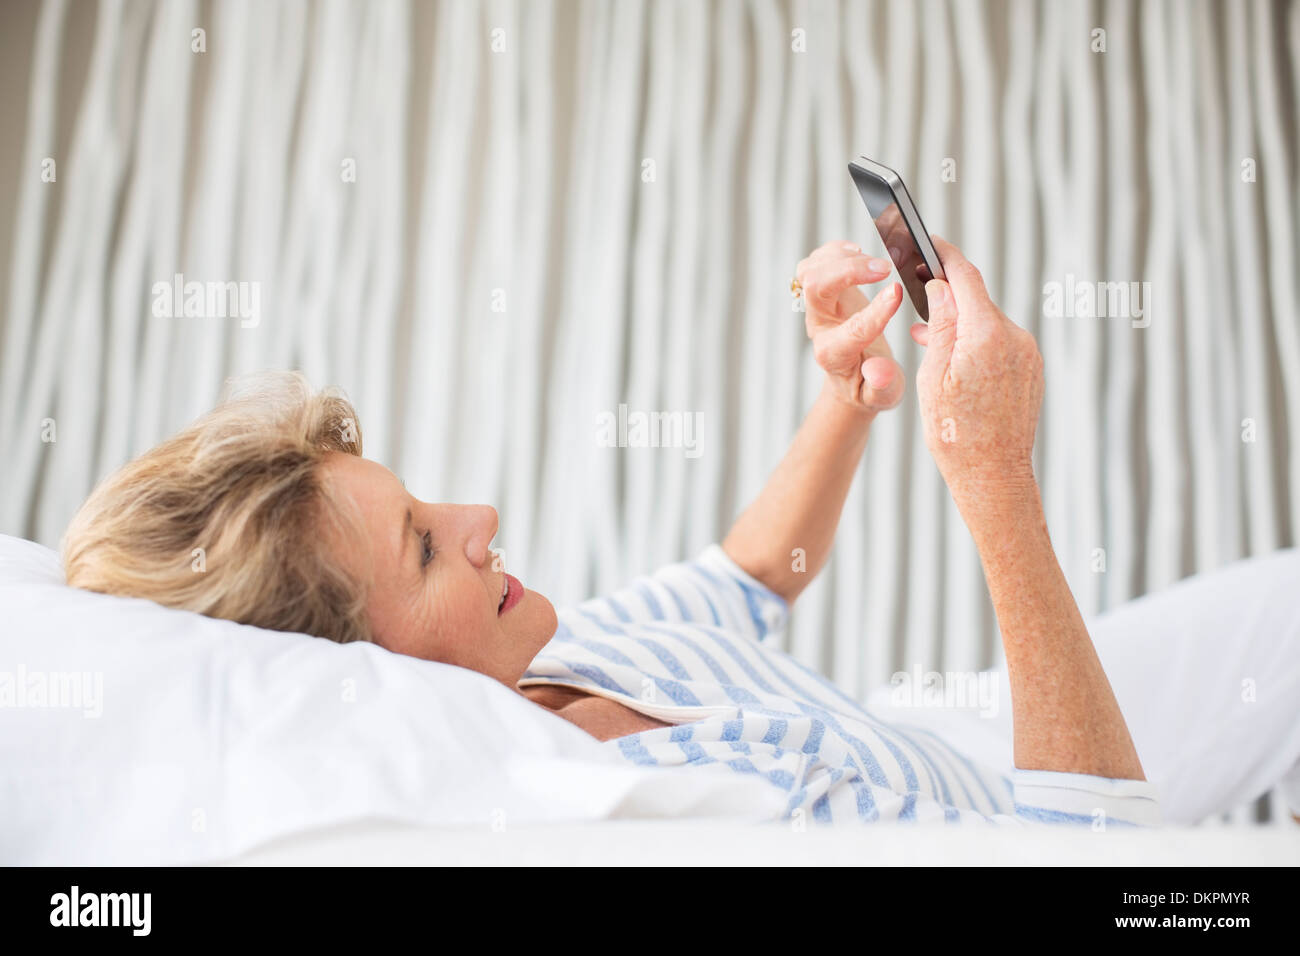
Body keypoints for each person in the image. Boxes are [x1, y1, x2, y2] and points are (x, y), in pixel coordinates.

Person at [61, 238, 1299, 827]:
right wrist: (992, 475)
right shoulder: (672, 820)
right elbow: (1096, 862)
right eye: (425, 547)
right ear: (352, 671)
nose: (480, 518)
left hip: (948, 733)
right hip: (1050, 802)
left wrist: (843, 399)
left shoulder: (553, 657)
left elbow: (749, 576)